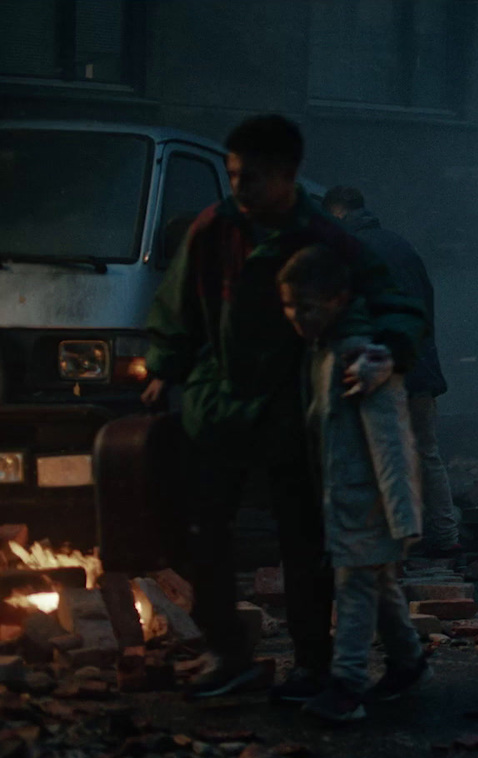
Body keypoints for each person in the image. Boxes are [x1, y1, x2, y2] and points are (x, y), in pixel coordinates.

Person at [143, 114, 425, 700]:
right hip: (216, 403)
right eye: (235, 175)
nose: (240, 189)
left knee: (302, 542)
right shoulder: (213, 229)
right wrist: (164, 366)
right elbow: (178, 306)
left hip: (292, 408)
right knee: (202, 534)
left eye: (253, 178)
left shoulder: (324, 236)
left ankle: (310, 664)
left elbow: (392, 299)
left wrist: (387, 350)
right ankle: (227, 652)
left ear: (289, 176)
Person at [277, 245, 430, 722]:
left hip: (368, 501)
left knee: (356, 590)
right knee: (378, 585)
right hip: (346, 499)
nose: (296, 317)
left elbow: (390, 442)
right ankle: (408, 662)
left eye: (306, 307)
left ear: (339, 299)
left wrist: (402, 514)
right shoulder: (322, 351)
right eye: (289, 307)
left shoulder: (358, 357)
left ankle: (347, 685)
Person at [322, 186, 460, 557]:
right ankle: (444, 534)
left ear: (336, 215)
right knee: (426, 453)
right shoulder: (402, 246)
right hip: (418, 368)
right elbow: (426, 308)